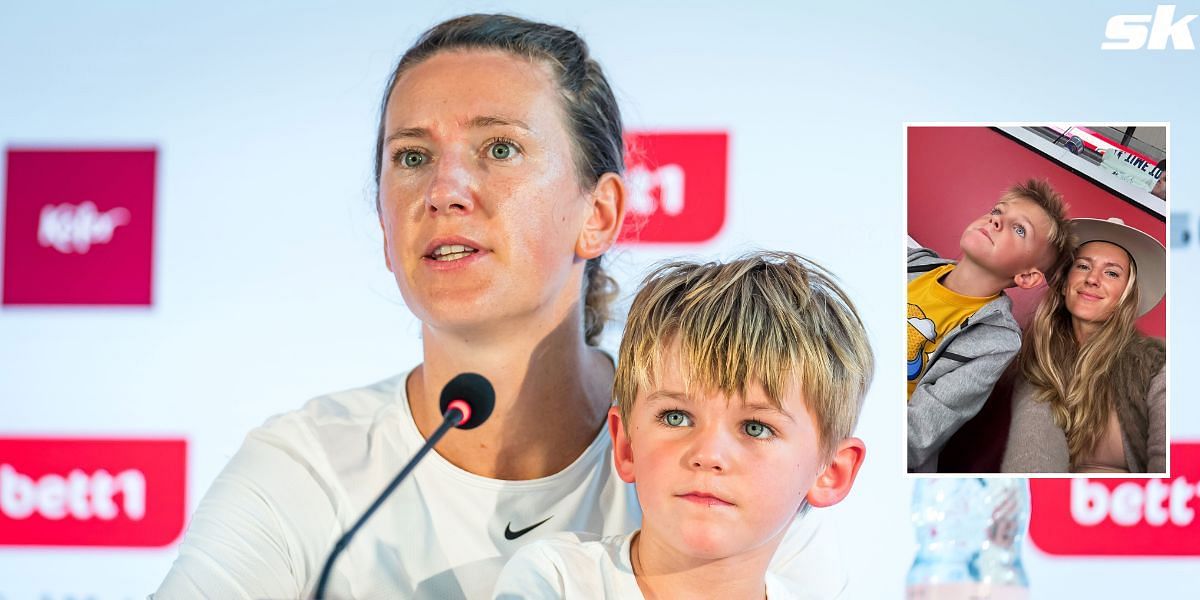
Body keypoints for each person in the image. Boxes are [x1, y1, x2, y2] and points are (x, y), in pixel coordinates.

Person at [156, 14, 845, 599]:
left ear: (599, 213)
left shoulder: (722, 469)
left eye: (500, 147)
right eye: (412, 156)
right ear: (383, 224)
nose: (446, 189)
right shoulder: (304, 467)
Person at [493, 252, 872, 600]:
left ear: (831, 472)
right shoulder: (556, 580)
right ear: (625, 445)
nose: (708, 454)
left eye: (755, 427)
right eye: (676, 417)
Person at [907, 179, 1072, 472]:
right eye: (998, 211)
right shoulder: (912, 262)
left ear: (1027, 277)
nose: (996, 220)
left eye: (1019, 229)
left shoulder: (997, 340)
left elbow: (917, 435)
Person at [1001, 218, 1166, 473]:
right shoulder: (1041, 362)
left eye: (1111, 273)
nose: (1092, 279)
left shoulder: (1159, 363)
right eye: (1083, 266)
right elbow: (1033, 452)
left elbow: (1175, 467)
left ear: (1126, 296)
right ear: (1066, 284)